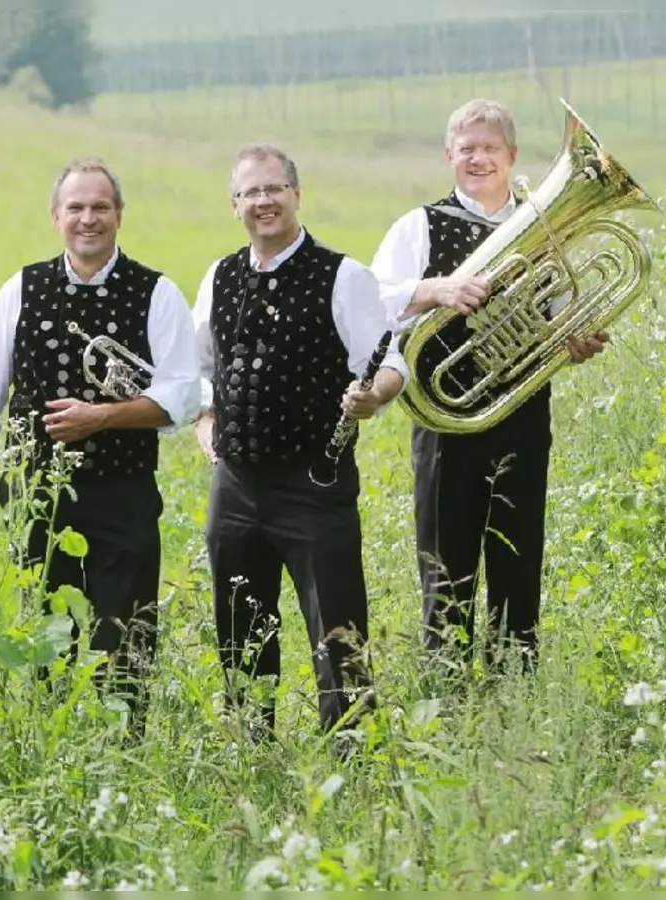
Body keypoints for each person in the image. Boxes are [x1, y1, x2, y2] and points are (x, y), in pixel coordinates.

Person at [0, 157, 201, 735]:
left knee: (127, 635)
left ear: (119, 215)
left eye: (101, 207)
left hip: (124, 492)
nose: (89, 219)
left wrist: (103, 416)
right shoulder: (21, 287)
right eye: (77, 207)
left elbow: (182, 398)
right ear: (56, 216)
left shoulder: (156, 292)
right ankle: (53, 745)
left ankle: (123, 756)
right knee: (45, 636)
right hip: (37, 494)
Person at [370, 98, 607, 674]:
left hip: (521, 417)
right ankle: (447, 697)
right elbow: (371, 300)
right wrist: (437, 290)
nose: (479, 158)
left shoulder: (545, 224)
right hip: (445, 422)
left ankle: (513, 690)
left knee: (518, 562)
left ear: (512, 156)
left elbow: (557, 313)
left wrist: (572, 343)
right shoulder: (419, 225)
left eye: (490, 148)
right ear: (449, 154)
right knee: (445, 567)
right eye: (467, 147)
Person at [192, 143, 408, 744]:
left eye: (273, 189)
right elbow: (200, 366)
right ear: (234, 204)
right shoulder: (219, 275)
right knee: (238, 626)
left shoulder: (344, 275)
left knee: (336, 630)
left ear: (296, 194)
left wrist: (374, 396)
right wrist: (204, 419)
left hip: (314, 483)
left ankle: (353, 756)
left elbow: (390, 362)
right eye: (250, 192)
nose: (263, 201)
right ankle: (249, 750)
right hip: (234, 485)